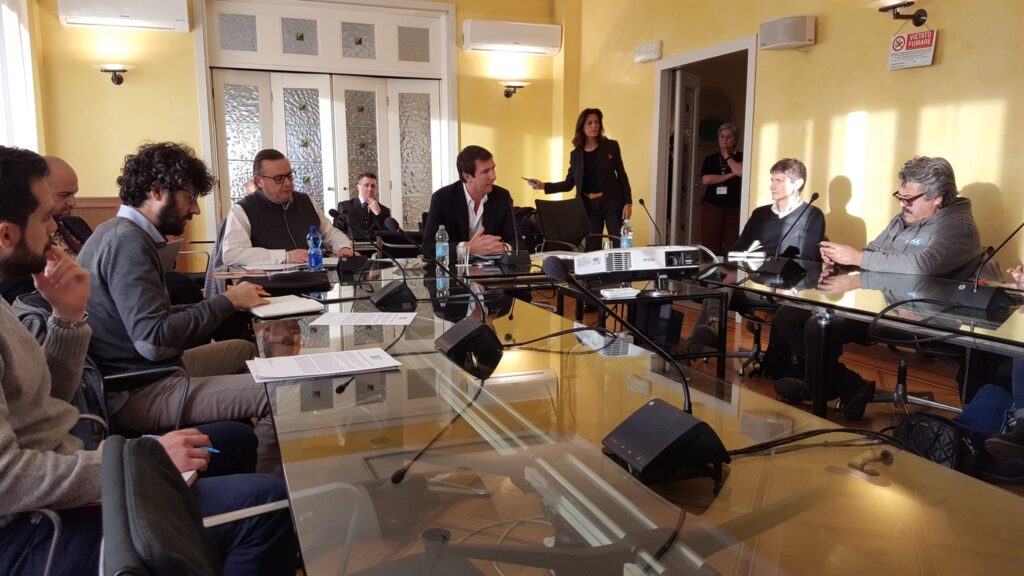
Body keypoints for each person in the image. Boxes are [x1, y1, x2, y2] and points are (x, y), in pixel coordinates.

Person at [0, 145, 296, 575]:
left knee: (237, 435)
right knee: (270, 499)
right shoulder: (124, 240)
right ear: (5, 235)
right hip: (42, 526)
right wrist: (133, 460)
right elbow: (7, 480)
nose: (54, 228)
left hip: (79, 457)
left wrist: (67, 317)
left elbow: (49, 402)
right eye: (45, 217)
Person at [77, 142, 282, 473]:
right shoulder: (128, 243)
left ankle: (234, 449)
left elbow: (151, 321)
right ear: (157, 190)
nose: (195, 209)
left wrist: (222, 304)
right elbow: (154, 341)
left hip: (142, 372)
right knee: (280, 393)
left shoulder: (117, 233)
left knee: (243, 349)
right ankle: (265, 488)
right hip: (137, 389)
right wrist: (227, 301)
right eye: (190, 197)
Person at [771, 156, 982, 420]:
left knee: (818, 325)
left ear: (937, 198)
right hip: (883, 306)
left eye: (909, 199)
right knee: (788, 315)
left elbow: (922, 266)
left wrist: (857, 258)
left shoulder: (959, 227)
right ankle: (845, 384)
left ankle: (820, 388)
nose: (902, 204)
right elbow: (872, 252)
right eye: (900, 196)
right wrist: (843, 259)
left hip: (921, 317)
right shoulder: (903, 218)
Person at [0, 156, 202, 305]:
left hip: (101, 298)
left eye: (74, 194)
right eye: (64, 195)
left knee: (175, 284)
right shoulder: (19, 254)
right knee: (177, 285)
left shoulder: (75, 224)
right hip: (94, 307)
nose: (73, 202)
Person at [689, 158, 825, 346]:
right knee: (716, 276)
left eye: (779, 181)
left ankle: (704, 338)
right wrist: (730, 268)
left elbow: (806, 263)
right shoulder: (760, 214)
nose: (772, 186)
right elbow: (737, 250)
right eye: (772, 180)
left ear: (797, 184)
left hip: (782, 288)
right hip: (749, 282)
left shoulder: (812, 215)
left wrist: (755, 272)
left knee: (722, 288)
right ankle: (707, 333)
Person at [223, 148, 353, 266]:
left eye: (289, 176)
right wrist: (285, 256)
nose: (288, 183)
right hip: (268, 283)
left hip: (312, 278)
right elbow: (231, 254)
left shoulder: (306, 201)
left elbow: (330, 233)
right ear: (259, 182)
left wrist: (343, 247)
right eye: (279, 178)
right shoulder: (242, 210)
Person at [528, 108, 632, 251]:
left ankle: (620, 267)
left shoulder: (611, 146)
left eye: (596, 122)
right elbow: (569, 183)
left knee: (619, 244)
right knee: (592, 247)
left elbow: (622, 175)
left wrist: (628, 203)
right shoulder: (576, 154)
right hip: (589, 207)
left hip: (612, 203)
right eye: (589, 123)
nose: (594, 126)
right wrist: (544, 186)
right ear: (582, 127)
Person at [423, 145, 516, 256]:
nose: (493, 176)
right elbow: (428, 246)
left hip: (492, 265)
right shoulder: (442, 198)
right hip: (455, 266)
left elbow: (518, 241)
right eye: (485, 172)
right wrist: (467, 248)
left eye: (493, 169)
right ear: (467, 176)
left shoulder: (502, 196)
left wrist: (504, 247)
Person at [699, 123, 743, 253]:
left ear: (735, 140)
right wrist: (731, 175)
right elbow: (706, 180)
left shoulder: (742, 156)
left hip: (735, 207)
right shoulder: (710, 159)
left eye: (729, 137)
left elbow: (740, 171)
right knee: (710, 244)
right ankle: (712, 266)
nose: (725, 140)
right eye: (722, 136)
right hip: (712, 205)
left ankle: (730, 266)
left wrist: (727, 157)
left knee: (733, 244)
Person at [338, 172, 391, 237]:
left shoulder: (384, 210)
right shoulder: (345, 206)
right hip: (352, 243)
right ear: (358, 187)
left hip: (375, 243)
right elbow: (337, 232)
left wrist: (378, 214)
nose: (370, 189)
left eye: (373, 186)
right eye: (366, 185)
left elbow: (388, 235)